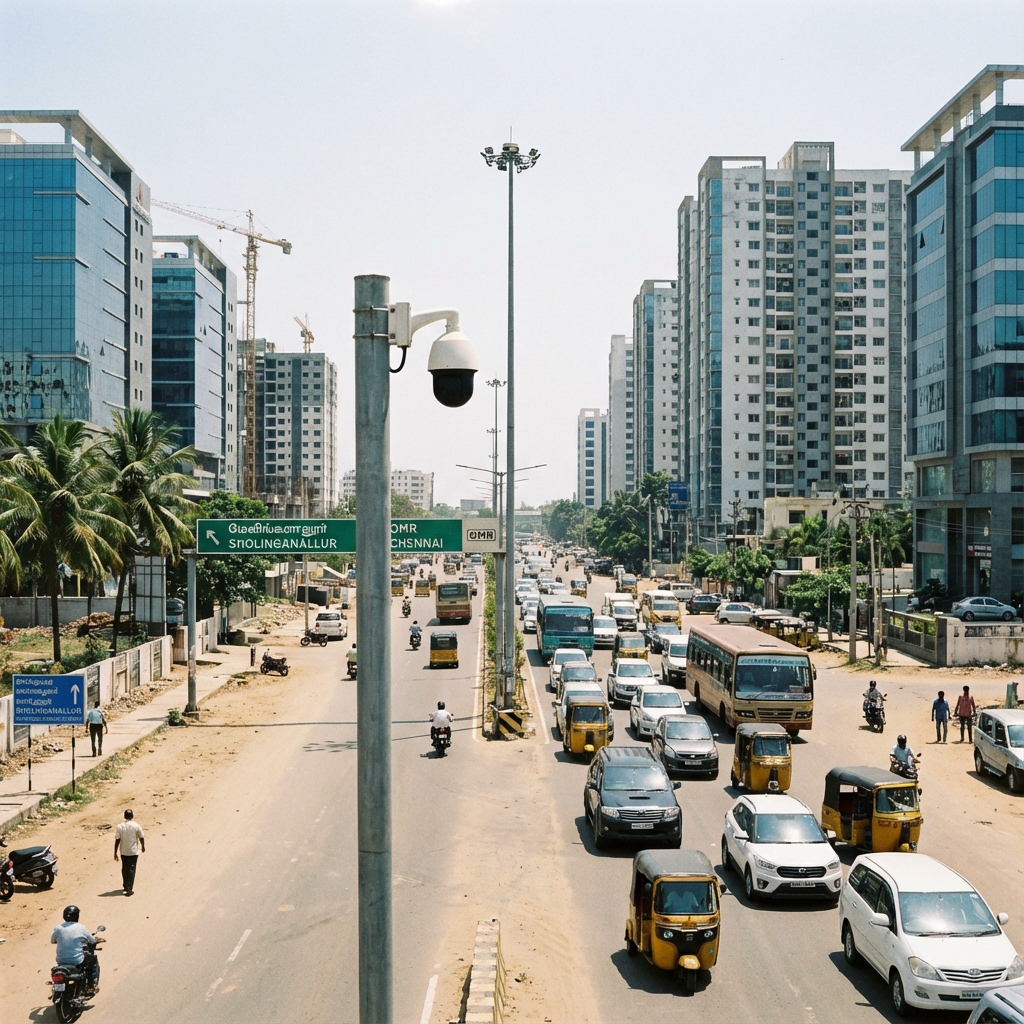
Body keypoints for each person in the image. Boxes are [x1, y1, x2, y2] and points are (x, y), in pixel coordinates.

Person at [51, 905, 99, 990]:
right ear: (77, 916)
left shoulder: (58, 928)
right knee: (93, 960)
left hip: (60, 961)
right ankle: (91, 985)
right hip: (77, 960)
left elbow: (53, 941)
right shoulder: (81, 927)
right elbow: (92, 941)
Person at [113, 808, 145, 896]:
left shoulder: (120, 826)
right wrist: (143, 846)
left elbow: (117, 839)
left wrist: (115, 852)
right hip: (133, 851)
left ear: (124, 816)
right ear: (132, 816)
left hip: (124, 851)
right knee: (131, 869)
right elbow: (141, 837)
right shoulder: (136, 826)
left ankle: (126, 885)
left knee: (124, 868)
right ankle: (129, 889)